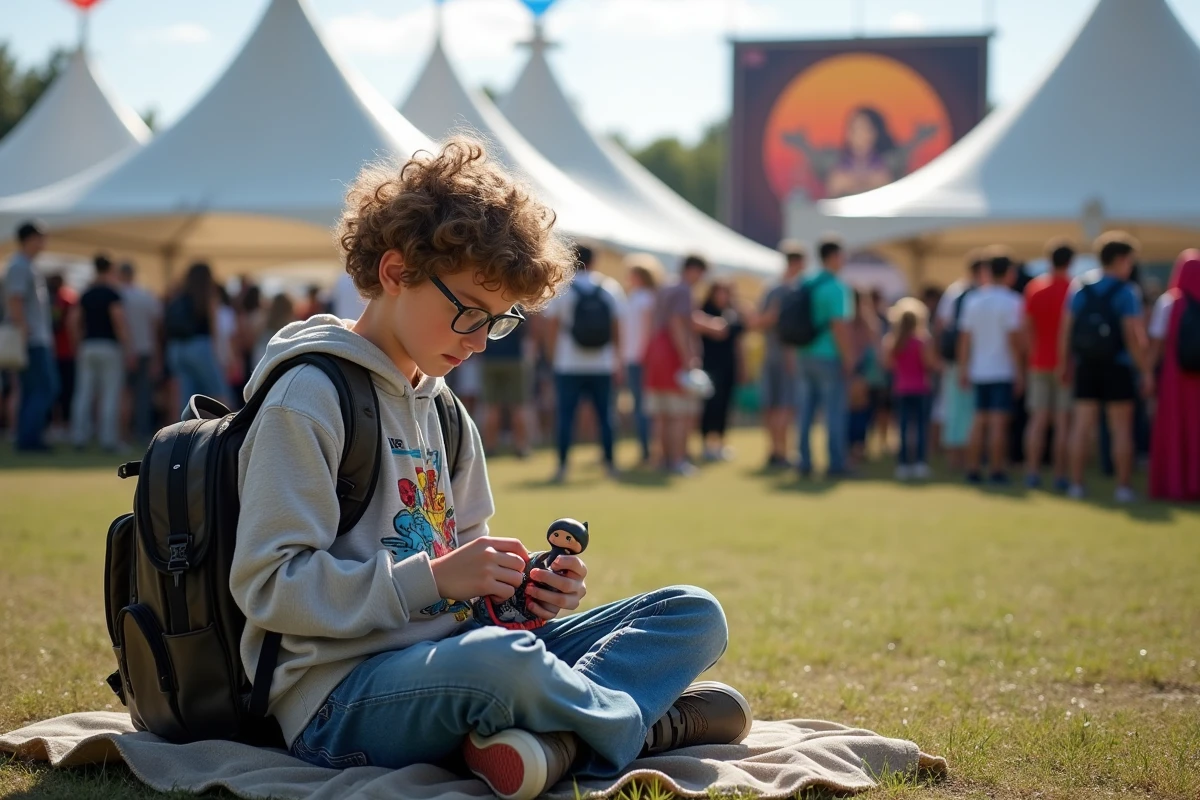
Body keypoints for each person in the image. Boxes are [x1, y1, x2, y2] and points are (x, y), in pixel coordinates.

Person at [229, 138, 750, 800]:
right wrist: (432, 578)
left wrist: (519, 590)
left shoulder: (445, 410)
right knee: (502, 665)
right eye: (470, 311)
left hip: (459, 657)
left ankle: (552, 738)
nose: (479, 340)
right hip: (338, 695)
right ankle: (635, 729)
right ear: (396, 271)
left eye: (498, 323)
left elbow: (466, 587)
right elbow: (271, 587)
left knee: (692, 613)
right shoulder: (308, 396)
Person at [1060, 232, 1151, 503]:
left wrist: (1064, 364)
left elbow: (1065, 332)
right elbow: (1132, 337)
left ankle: (1076, 484)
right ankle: (1123, 487)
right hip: (1117, 367)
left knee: (1081, 427)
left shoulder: (1080, 286)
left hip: (1086, 365)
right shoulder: (1127, 291)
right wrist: (1144, 369)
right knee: (1121, 429)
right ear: (1122, 259)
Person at [544, 244, 624, 482]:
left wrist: (552, 357)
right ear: (594, 261)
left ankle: (562, 466)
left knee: (566, 416)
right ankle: (610, 464)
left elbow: (552, 325)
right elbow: (617, 328)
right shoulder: (610, 287)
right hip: (602, 363)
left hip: (569, 363)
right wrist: (617, 359)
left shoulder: (563, 288)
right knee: (605, 415)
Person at [643, 255, 724, 476]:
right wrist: (687, 355)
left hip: (656, 353)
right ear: (694, 270)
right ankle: (677, 460)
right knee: (680, 413)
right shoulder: (683, 290)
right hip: (672, 355)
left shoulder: (665, 287)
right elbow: (677, 323)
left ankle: (660, 459)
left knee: (661, 414)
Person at [958, 252, 1023, 484]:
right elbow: (1014, 341)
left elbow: (964, 339)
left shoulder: (973, 300)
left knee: (978, 422)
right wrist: (1020, 372)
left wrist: (963, 369)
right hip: (1002, 370)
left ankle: (973, 469)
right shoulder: (1013, 301)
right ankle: (996, 470)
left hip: (979, 370)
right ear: (1008, 273)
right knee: (998, 424)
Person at [794, 236, 855, 478]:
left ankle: (804, 461)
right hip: (828, 356)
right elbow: (839, 326)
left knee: (805, 412)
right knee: (833, 412)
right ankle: (836, 463)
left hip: (804, 353)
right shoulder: (837, 287)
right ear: (833, 257)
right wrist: (848, 357)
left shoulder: (806, 282)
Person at [1020, 241, 1075, 489]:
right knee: (1062, 422)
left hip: (1038, 362)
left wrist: (1032, 355)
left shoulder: (1035, 288)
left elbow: (1027, 328)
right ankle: (1060, 475)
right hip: (1066, 365)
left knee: (1038, 420)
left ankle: (1032, 472)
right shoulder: (1074, 289)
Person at [1148, 250, 1200, 501]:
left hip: (1174, 377)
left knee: (1174, 429)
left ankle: (1173, 484)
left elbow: (1156, 344)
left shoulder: (1169, 302)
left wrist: (1147, 373)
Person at [3, 221, 58, 452]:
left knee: (33, 389)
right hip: (32, 339)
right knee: (45, 387)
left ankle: (27, 438)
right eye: (40, 237)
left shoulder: (26, 265)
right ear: (30, 238)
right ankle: (29, 439)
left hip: (34, 338)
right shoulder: (19, 266)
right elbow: (14, 300)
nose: (44, 242)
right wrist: (24, 330)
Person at [70, 254, 133, 452]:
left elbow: (73, 321)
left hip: (88, 346)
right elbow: (119, 322)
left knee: (83, 393)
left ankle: (79, 437)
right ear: (110, 269)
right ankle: (109, 440)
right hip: (109, 347)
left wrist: (78, 342)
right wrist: (127, 346)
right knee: (110, 395)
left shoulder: (86, 293)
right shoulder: (112, 294)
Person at [756, 241, 806, 469]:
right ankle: (780, 451)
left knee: (774, 405)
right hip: (786, 355)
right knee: (783, 405)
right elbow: (766, 320)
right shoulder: (792, 291)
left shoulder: (772, 289)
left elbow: (760, 320)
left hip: (771, 354)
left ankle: (776, 450)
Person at [934, 252, 985, 469]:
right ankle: (957, 457)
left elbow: (940, 325)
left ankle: (960, 457)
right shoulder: (966, 294)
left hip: (960, 359)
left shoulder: (955, 292)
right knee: (960, 410)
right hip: (964, 359)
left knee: (957, 409)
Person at [883, 297, 937, 479]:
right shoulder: (921, 342)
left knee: (904, 428)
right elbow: (929, 364)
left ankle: (903, 463)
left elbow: (888, 364)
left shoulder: (893, 342)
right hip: (921, 389)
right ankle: (920, 463)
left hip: (901, 389)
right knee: (921, 428)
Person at [165, 262, 230, 411]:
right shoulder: (207, 295)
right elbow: (214, 328)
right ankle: (229, 431)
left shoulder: (178, 295)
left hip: (176, 348)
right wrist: (219, 354)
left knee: (186, 399)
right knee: (219, 393)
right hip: (201, 346)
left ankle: (185, 431)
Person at [698, 279, 746, 462]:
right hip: (710, 365)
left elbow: (738, 342)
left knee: (726, 404)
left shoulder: (733, 314)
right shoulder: (704, 312)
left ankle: (720, 442)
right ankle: (707, 443)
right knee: (711, 404)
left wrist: (743, 366)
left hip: (728, 365)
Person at [479, 301, 533, 457]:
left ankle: (490, 447)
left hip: (490, 357)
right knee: (519, 405)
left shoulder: (488, 299)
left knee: (490, 406)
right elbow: (531, 330)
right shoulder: (518, 302)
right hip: (515, 358)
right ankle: (521, 447)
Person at [621, 254, 660, 466]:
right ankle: (647, 449)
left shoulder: (644, 298)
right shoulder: (637, 297)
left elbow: (647, 331)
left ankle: (648, 450)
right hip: (634, 357)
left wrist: (644, 355)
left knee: (644, 407)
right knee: (641, 406)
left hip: (640, 359)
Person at [118, 262, 162, 441]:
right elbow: (156, 328)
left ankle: (123, 432)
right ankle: (141, 432)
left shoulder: (117, 295)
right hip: (145, 349)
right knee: (143, 395)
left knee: (123, 394)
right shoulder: (146, 296)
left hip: (122, 351)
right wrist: (158, 355)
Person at [46, 273, 78, 441]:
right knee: (65, 391)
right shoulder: (67, 298)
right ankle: (62, 425)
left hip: (53, 352)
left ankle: (56, 425)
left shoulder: (47, 298)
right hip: (65, 352)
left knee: (56, 391)